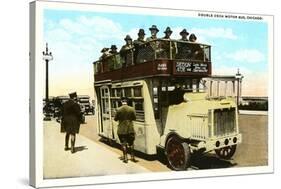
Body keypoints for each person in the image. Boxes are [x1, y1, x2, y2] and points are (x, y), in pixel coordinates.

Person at [114, 97, 137, 163]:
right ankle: (132, 157)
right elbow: (134, 118)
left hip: (121, 130)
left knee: (123, 144)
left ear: (121, 101)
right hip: (130, 129)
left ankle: (125, 158)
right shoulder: (131, 109)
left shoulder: (118, 109)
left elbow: (115, 119)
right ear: (127, 101)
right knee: (131, 143)